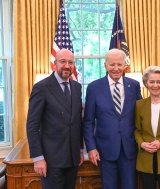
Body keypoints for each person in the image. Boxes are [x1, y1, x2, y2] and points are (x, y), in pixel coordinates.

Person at [83, 48, 142, 189]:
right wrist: (91, 148)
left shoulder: (134, 85)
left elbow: (141, 115)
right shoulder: (94, 88)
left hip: (129, 149)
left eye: (119, 64)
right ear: (105, 65)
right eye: (112, 64)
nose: (116, 68)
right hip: (105, 150)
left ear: (124, 65)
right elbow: (88, 122)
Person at [26, 48, 84, 189]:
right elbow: (32, 125)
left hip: (73, 157)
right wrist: (38, 158)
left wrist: (80, 149)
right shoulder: (42, 87)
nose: (67, 66)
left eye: (71, 62)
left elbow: (77, 121)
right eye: (63, 61)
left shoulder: (76, 87)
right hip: (51, 159)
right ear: (54, 64)